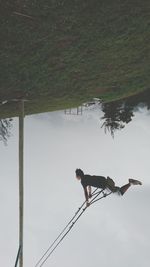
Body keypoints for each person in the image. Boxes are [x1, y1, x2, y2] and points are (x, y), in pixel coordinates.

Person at [75, 169, 142, 207]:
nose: (76, 177)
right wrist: (90, 193)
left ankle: (130, 183)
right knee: (116, 190)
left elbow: (85, 192)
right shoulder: (86, 176)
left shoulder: (83, 181)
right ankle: (129, 183)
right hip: (105, 181)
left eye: (76, 176)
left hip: (105, 185)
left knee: (119, 194)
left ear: (78, 176)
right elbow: (89, 186)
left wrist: (87, 202)